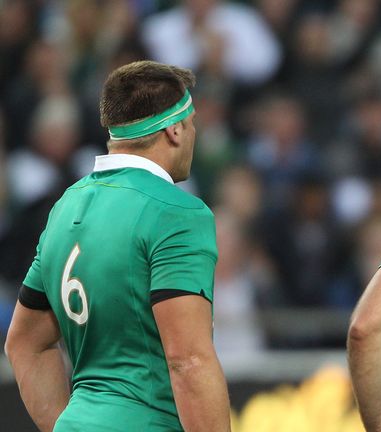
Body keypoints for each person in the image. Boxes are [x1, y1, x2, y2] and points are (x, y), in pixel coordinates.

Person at [3, 61, 231, 432]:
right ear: (174, 129)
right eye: (191, 124)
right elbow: (187, 360)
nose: (193, 134)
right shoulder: (177, 212)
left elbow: (25, 344)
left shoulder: (66, 206)